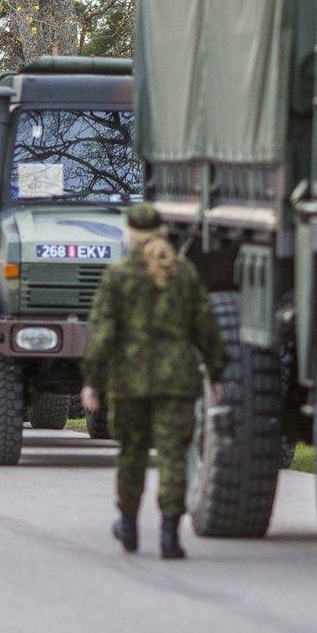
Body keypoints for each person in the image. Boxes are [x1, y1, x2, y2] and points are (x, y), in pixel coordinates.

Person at [81, 202, 227, 559]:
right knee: (174, 455)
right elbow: (205, 327)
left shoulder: (118, 275)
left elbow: (103, 332)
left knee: (130, 454)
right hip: (177, 380)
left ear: (129, 233)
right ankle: (169, 535)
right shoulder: (184, 273)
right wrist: (217, 371)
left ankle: (128, 525)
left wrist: (92, 381)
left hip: (129, 381)